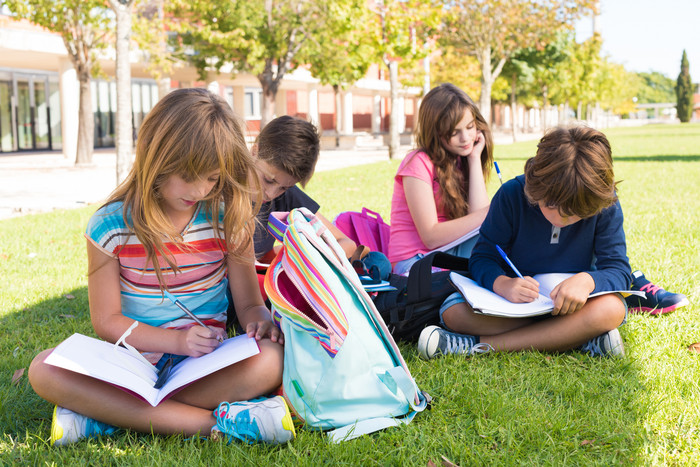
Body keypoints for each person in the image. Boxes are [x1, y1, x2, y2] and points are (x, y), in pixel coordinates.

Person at [27, 88, 295, 446]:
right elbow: (107, 322)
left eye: (213, 178)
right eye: (188, 175)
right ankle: (217, 424)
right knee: (44, 369)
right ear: (157, 157)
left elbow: (248, 304)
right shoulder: (110, 226)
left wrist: (259, 322)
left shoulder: (228, 217)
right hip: (132, 365)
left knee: (272, 359)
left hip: (203, 366)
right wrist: (176, 340)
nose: (200, 190)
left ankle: (107, 415)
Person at [417, 126, 631, 360]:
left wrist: (587, 281)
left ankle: (477, 346)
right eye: (550, 205)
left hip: (573, 307)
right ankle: (576, 337)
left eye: (573, 213)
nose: (560, 219)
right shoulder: (512, 195)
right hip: (513, 307)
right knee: (453, 312)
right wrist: (502, 284)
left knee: (612, 308)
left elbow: (619, 271)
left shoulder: (604, 202)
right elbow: (483, 257)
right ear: (535, 184)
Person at [388, 83, 492, 275]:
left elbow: (479, 221)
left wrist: (474, 159)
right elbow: (431, 237)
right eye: (454, 132)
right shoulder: (417, 162)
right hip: (414, 261)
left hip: (448, 251)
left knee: (494, 250)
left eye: (470, 127)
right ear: (436, 133)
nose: (466, 138)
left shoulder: (462, 159)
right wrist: (492, 211)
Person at [252, 115, 356, 264]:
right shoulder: (222, 191)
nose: (271, 194)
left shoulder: (285, 196)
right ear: (255, 152)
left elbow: (345, 243)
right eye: (268, 180)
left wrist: (308, 262)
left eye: (284, 187)